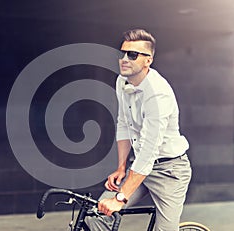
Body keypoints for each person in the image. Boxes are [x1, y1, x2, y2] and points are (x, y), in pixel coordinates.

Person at [86, 29, 192, 230]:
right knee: (97, 216)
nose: (124, 59)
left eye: (132, 55)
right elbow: (124, 123)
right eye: (123, 53)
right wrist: (121, 167)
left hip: (169, 170)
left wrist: (120, 197)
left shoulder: (158, 95)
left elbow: (149, 151)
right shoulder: (122, 81)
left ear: (148, 60)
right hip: (140, 166)